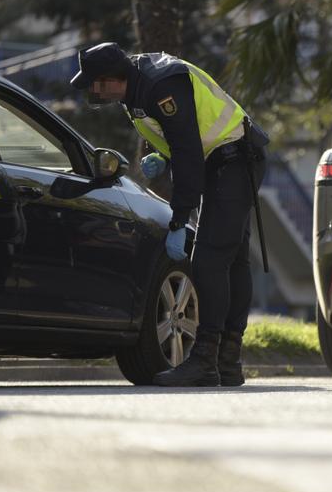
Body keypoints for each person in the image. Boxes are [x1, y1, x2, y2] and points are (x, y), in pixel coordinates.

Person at [70, 42, 269, 387]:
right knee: (232, 258)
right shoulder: (136, 87)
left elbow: (189, 148)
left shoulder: (161, 85)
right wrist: (163, 157)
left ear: (110, 79)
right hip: (227, 160)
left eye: (94, 83)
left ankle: (207, 359)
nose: (91, 90)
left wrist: (179, 218)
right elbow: (179, 136)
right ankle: (227, 360)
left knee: (209, 260)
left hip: (234, 161)